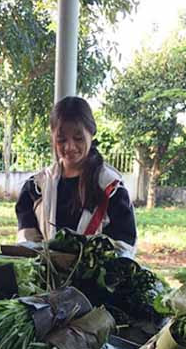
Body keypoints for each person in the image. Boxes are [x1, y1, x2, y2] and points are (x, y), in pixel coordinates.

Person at [15, 96, 137, 254]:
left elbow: (124, 249)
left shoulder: (111, 188)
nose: (70, 147)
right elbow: (27, 245)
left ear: (91, 133)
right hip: (45, 276)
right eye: (61, 139)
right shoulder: (35, 188)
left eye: (78, 138)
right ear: (52, 137)